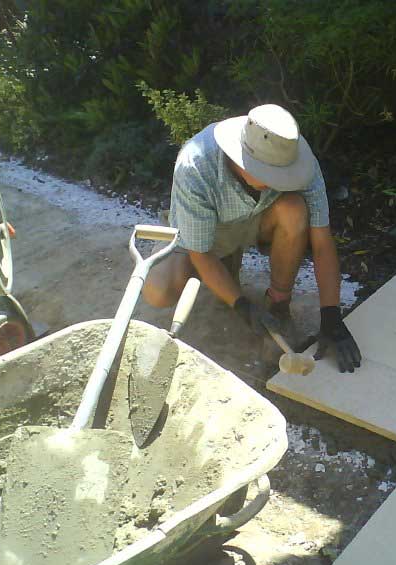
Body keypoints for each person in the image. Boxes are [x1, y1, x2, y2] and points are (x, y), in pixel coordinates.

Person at [143, 104, 362, 373]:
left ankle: (278, 305)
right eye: (267, 174)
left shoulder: (294, 158)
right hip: (201, 234)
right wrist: (243, 306)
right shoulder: (196, 165)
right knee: (159, 291)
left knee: (293, 209)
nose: (276, 181)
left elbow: (322, 243)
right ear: (239, 157)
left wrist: (331, 316)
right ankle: (225, 268)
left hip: (256, 221)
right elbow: (200, 252)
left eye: (281, 175)